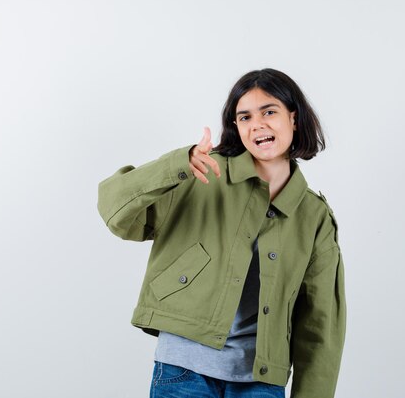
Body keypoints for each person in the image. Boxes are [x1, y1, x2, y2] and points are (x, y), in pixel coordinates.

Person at [97, 68, 346, 398]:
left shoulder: (313, 216)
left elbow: (320, 324)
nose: (257, 124)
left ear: (294, 118)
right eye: (244, 117)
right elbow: (115, 210)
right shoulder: (202, 173)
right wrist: (177, 165)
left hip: (261, 382)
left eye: (269, 111)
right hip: (183, 372)